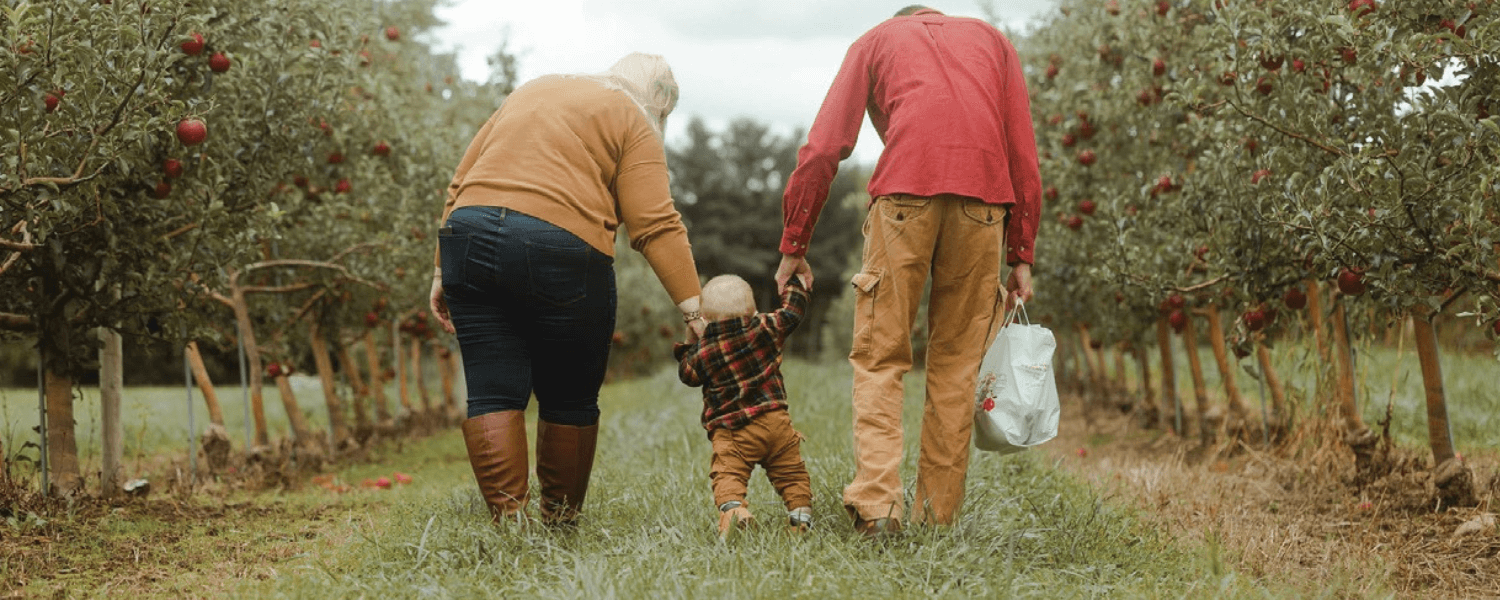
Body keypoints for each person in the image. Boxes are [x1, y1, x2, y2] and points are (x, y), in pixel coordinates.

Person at [774, 5, 1041, 535]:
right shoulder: (992, 42)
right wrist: (1021, 253)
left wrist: (793, 244)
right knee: (958, 364)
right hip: (985, 207)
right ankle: (937, 519)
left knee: (879, 356)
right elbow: (1023, 153)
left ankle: (877, 509)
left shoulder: (875, 42)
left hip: (903, 200)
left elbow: (825, 146)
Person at [430, 53, 707, 525]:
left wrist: (441, 271)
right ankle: (559, 522)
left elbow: (461, 180)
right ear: (658, 100)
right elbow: (653, 224)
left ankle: (510, 524)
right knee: (569, 395)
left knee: (493, 388)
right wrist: (695, 311)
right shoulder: (632, 117)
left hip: (468, 237)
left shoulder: (535, 88)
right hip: (559, 244)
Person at [673, 274, 813, 536]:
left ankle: (735, 511)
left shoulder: (704, 351)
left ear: (704, 320)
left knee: (728, 476)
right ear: (754, 310)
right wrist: (794, 283)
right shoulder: (764, 328)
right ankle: (800, 518)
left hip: (732, 432)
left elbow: (687, 374)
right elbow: (792, 313)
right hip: (776, 424)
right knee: (792, 474)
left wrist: (691, 340)